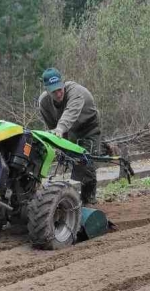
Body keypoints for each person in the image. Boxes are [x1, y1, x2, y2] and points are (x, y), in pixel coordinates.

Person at [38, 67, 101, 205]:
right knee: (73, 162)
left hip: (88, 128)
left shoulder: (76, 92)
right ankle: (72, 201)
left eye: (60, 89)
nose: (58, 93)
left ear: (63, 83)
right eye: (54, 91)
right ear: (47, 90)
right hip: (68, 132)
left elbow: (70, 113)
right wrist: (57, 142)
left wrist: (60, 129)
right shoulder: (44, 102)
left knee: (86, 163)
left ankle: (88, 201)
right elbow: (52, 126)